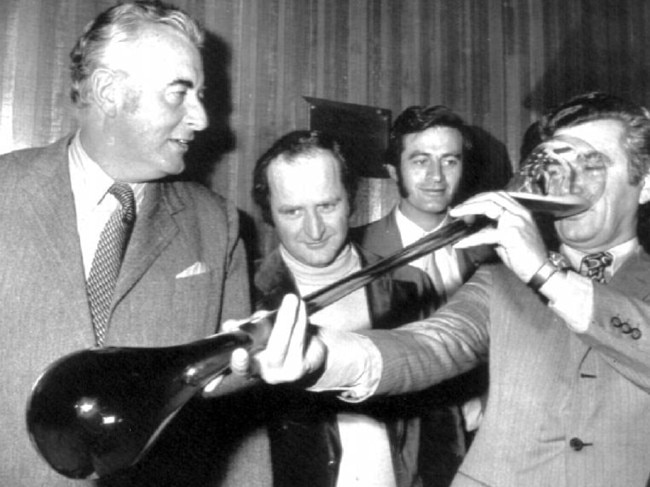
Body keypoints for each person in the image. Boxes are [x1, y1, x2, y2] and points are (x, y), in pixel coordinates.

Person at [232, 91, 650, 486]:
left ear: (645, 183)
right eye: (560, 168)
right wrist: (322, 355)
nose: (570, 184)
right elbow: (426, 346)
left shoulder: (531, 267)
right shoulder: (500, 278)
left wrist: (546, 274)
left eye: (592, 166)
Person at [0, 2, 270, 486]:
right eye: (179, 94)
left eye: (202, 95)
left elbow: (236, 408)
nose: (203, 118)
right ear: (108, 92)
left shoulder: (218, 224)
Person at [250, 130, 462, 487]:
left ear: (351, 200)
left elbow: (443, 425)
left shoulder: (410, 285)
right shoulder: (244, 292)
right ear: (269, 213)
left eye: (327, 206)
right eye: (292, 211)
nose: (314, 229)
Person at [350, 106, 491, 449]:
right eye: (420, 160)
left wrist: (488, 405)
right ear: (393, 171)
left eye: (450, 160)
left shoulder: (490, 253)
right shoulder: (354, 254)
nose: (437, 176)